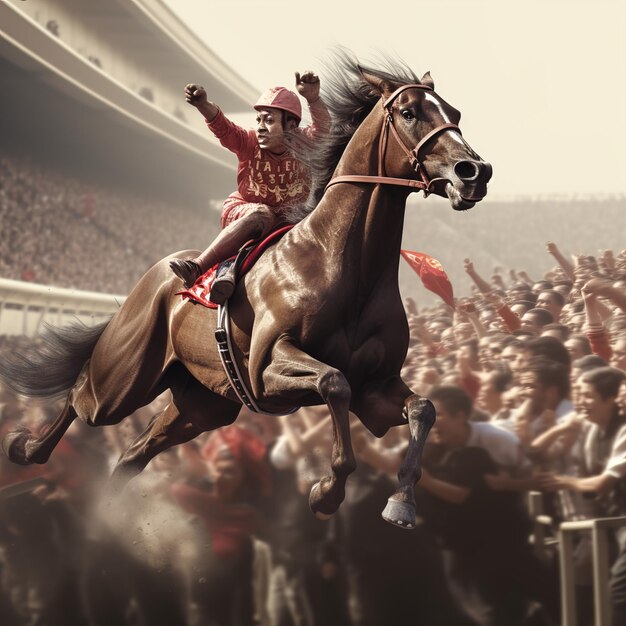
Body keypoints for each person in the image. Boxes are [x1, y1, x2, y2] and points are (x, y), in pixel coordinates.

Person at [170, 72, 331, 303]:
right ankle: (197, 267)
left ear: (292, 125)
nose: (261, 127)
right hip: (244, 213)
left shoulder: (306, 143)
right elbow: (224, 128)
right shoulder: (249, 142)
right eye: (259, 120)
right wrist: (203, 105)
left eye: (269, 120)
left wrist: (313, 99)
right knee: (261, 214)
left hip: (286, 222)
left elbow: (325, 129)